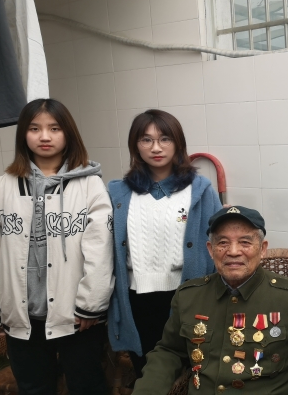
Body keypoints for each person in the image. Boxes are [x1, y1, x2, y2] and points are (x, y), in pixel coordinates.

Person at [132, 205, 288, 395]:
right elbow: (169, 352)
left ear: (262, 249)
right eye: (222, 243)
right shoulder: (189, 295)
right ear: (211, 250)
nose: (233, 251)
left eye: (245, 242)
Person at [0, 98, 114, 394]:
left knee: (87, 386)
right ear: (23, 133)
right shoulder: (4, 185)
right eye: (34, 128)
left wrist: (90, 306)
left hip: (77, 318)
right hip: (22, 319)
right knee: (34, 388)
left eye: (54, 128)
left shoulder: (90, 185)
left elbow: (100, 250)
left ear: (68, 133)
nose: (44, 136)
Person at [108, 109, 222, 378]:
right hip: (136, 300)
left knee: (192, 375)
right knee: (149, 374)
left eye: (165, 139)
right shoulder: (118, 192)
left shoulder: (200, 189)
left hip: (187, 297)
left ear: (178, 143)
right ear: (135, 145)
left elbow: (219, 242)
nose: (156, 148)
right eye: (146, 140)